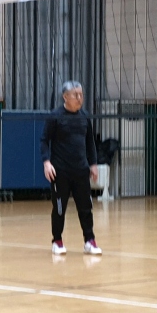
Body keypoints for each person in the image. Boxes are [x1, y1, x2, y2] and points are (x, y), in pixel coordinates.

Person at [41, 80, 101, 256]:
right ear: (65, 97)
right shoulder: (55, 116)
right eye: (76, 95)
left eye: (81, 94)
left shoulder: (84, 117)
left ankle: (89, 240)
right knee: (60, 208)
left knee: (86, 207)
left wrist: (93, 164)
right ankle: (57, 241)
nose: (80, 98)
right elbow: (44, 140)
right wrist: (46, 162)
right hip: (60, 172)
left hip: (81, 171)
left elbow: (90, 142)